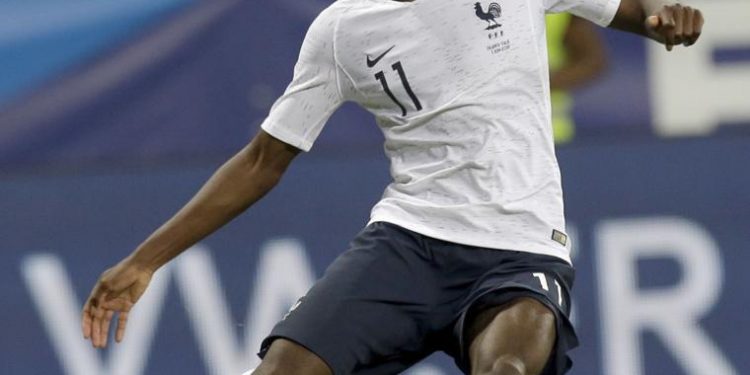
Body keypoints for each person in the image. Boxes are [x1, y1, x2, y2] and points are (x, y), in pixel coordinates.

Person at [81, 0, 703, 374]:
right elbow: (263, 160)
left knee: (508, 367)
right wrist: (144, 262)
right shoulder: (343, 31)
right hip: (409, 244)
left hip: (520, 248)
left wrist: (665, 20)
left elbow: (637, 13)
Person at [546, 14, 608, 144]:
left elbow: (592, 60)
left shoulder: (563, 7)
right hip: (495, 131)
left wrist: (535, 83)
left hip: (551, 136)